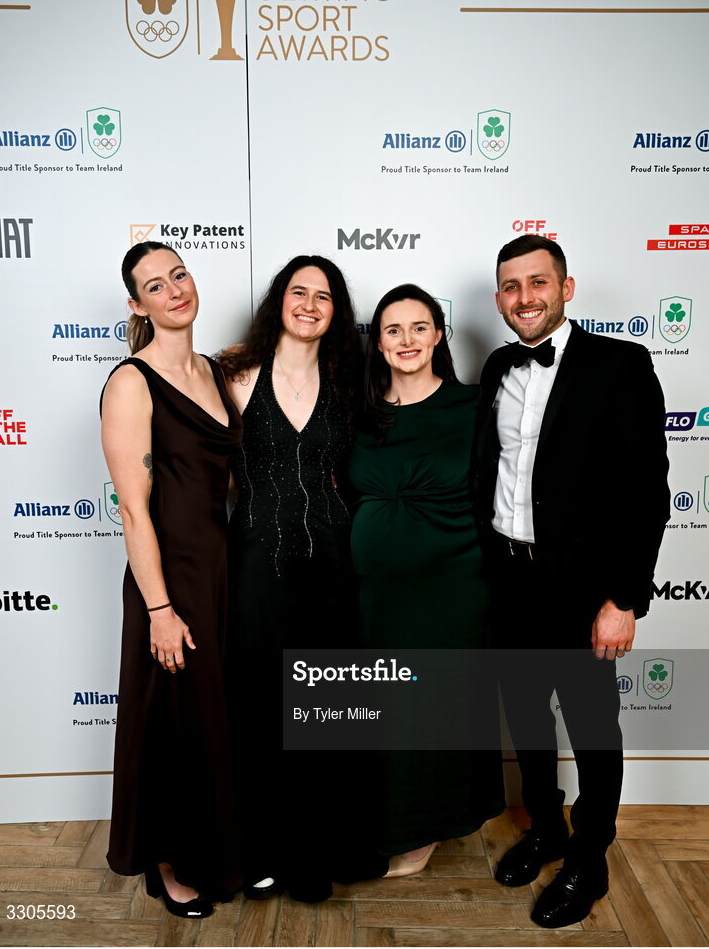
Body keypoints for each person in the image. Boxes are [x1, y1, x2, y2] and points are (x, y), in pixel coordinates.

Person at [476, 235, 670, 928]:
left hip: (585, 591)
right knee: (526, 723)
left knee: (592, 729)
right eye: (509, 286)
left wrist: (623, 599)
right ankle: (546, 830)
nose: (523, 297)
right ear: (497, 297)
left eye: (536, 282)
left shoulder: (619, 365)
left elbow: (647, 493)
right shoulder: (497, 365)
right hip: (509, 580)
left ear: (565, 287)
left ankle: (589, 855)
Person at [101, 241, 243, 917]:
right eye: (155, 286)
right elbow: (133, 506)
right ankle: (167, 863)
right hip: (171, 581)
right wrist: (158, 607)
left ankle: (217, 851)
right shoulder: (131, 381)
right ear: (137, 305)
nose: (174, 290)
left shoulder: (216, 371)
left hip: (225, 574)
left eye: (179, 274)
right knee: (172, 726)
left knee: (216, 721)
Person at [219, 254, 366, 902]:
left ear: (337, 312)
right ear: (279, 299)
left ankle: (312, 858)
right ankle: (260, 853)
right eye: (298, 291)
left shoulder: (348, 379)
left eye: (323, 296)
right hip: (258, 568)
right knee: (261, 714)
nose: (309, 303)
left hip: (334, 570)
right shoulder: (235, 375)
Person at [348, 283, 505, 878]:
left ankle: (423, 834)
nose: (406, 340)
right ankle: (385, 822)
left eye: (419, 327)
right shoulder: (360, 411)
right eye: (393, 329)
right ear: (378, 343)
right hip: (376, 595)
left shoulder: (473, 407)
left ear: (439, 334)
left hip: (450, 590)